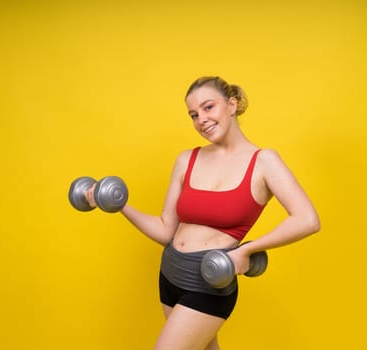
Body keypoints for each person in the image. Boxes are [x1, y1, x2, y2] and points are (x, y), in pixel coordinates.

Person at [87, 76, 320, 350]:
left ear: (232, 104)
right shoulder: (187, 159)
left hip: (210, 281)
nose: (202, 120)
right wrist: (118, 204)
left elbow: (307, 219)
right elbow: (165, 230)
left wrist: (245, 251)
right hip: (170, 274)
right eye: (194, 115)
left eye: (209, 107)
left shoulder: (264, 162)